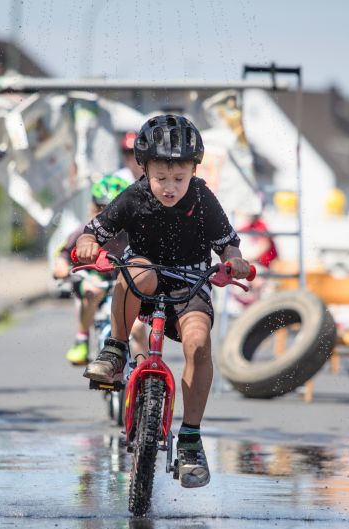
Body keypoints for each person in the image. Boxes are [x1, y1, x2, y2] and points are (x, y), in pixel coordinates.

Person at [75, 114, 251, 489]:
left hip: (191, 285)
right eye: (161, 178)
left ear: (193, 171)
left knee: (199, 343)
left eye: (179, 178)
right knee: (137, 269)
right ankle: (115, 349)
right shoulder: (135, 196)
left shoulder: (203, 198)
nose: (170, 187)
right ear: (144, 169)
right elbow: (92, 232)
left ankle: (190, 438)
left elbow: (229, 245)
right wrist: (88, 245)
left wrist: (234, 261)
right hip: (146, 285)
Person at [53, 174, 146, 365]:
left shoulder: (135, 231)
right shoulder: (86, 230)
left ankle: (144, 373)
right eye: (102, 209)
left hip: (126, 283)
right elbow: (64, 253)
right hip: (96, 280)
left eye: (116, 211)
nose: (109, 216)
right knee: (92, 291)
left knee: (137, 328)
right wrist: (61, 266)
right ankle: (81, 338)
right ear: (93, 209)